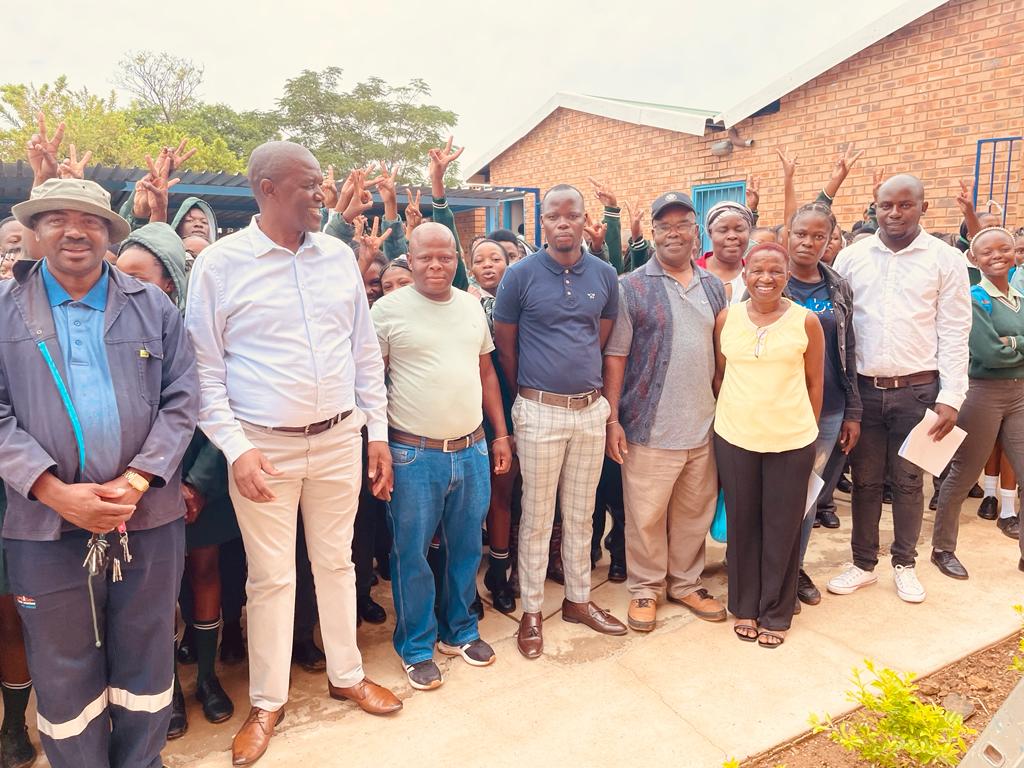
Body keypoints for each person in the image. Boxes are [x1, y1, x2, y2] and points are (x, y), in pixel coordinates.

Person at [186, 141, 401, 767]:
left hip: (338, 438)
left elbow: (364, 352)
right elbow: (205, 374)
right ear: (267, 189)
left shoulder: (336, 256)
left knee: (337, 563)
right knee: (272, 577)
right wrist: (236, 450)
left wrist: (376, 434)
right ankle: (266, 702)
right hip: (264, 448)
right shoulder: (221, 265)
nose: (320, 194)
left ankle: (347, 674)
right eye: (308, 184)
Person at [0, 178, 198, 768]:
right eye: (57, 219)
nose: (74, 231)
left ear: (110, 234)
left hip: (146, 517)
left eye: (90, 220)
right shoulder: (5, 310)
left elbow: (183, 398)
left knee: (146, 657)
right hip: (45, 525)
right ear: (36, 232)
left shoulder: (152, 305)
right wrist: (54, 491)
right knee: (63, 668)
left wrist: (138, 480)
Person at [372, 224, 512, 689]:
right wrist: (377, 445)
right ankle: (415, 646)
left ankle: (460, 631)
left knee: (467, 548)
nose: (436, 265)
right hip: (413, 454)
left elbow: (486, 372)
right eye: (426, 257)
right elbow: (370, 384)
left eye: (445, 257)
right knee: (410, 554)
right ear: (410, 259)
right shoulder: (387, 311)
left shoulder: (471, 307)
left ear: (457, 259)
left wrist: (499, 434)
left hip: (471, 449)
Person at [494, 184, 627, 660]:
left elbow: (600, 337)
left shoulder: (604, 274)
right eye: (554, 216)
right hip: (539, 411)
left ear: (584, 219)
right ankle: (531, 610)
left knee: (580, 513)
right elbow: (506, 346)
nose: (563, 223)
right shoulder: (520, 275)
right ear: (543, 222)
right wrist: (533, 390)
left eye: (572, 215)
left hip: (590, 411)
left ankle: (578, 600)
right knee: (536, 517)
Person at [115, 222, 239, 734]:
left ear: (169, 280)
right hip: (141, 486)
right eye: (119, 275)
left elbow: (218, 406)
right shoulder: (109, 332)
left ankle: (206, 678)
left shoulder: (198, 330)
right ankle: (165, 688)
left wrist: (199, 483)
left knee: (205, 572)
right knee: (157, 590)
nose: (125, 286)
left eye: (139, 277)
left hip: (199, 479)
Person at [828, 174, 971, 604]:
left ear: (923, 208)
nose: (894, 213)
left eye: (905, 205)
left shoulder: (945, 259)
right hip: (864, 392)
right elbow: (840, 327)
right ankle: (862, 564)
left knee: (909, 483)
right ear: (875, 207)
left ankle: (905, 564)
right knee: (866, 482)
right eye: (885, 205)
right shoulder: (852, 257)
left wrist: (951, 397)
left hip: (919, 391)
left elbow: (955, 329)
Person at [603, 191, 728, 633]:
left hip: (702, 426)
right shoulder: (632, 286)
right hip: (648, 427)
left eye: (682, 225)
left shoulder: (713, 286)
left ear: (696, 233)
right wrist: (613, 418)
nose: (674, 233)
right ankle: (646, 588)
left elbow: (720, 353)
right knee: (647, 516)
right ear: (653, 233)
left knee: (693, 514)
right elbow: (616, 356)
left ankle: (686, 583)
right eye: (665, 226)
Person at [713, 242, 824, 648]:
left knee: (782, 526)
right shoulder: (727, 318)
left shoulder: (806, 321)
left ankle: (776, 611)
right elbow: (720, 375)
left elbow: (815, 382)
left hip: (791, 441)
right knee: (742, 525)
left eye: (776, 270)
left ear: (787, 276)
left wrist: (806, 430)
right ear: (745, 274)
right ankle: (744, 606)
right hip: (735, 437)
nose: (766, 278)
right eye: (757, 270)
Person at [782, 203, 862, 608]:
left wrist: (852, 410)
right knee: (773, 493)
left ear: (831, 240)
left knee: (807, 494)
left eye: (819, 236)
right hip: (777, 411)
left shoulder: (838, 286)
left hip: (827, 411)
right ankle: (764, 567)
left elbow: (850, 350)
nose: (809, 243)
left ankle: (792, 569)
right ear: (788, 234)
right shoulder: (770, 280)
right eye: (801, 234)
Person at [932, 228, 1024, 578]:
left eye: (1004, 248)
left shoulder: (1020, 296)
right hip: (982, 393)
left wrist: (1011, 342)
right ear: (973, 258)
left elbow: (1002, 349)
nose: (997, 256)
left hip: (1020, 394)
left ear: (1015, 253)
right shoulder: (973, 298)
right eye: (987, 252)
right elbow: (989, 353)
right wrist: (1015, 345)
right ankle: (943, 549)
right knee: (964, 473)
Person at [469, 239, 519, 612]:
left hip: (513, 406)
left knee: (503, 495)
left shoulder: (523, 303)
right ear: (469, 268)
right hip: (470, 412)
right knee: (469, 505)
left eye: (496, 258)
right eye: (479, 260)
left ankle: (499, 576)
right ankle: (464, 583)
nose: (488, 265)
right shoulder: (463, 304)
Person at [699, 201, 754, 303]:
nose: (732, 236)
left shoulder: (757, 275)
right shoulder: (691, 273)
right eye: (723, 230)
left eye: (739, 229)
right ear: (711, 233)